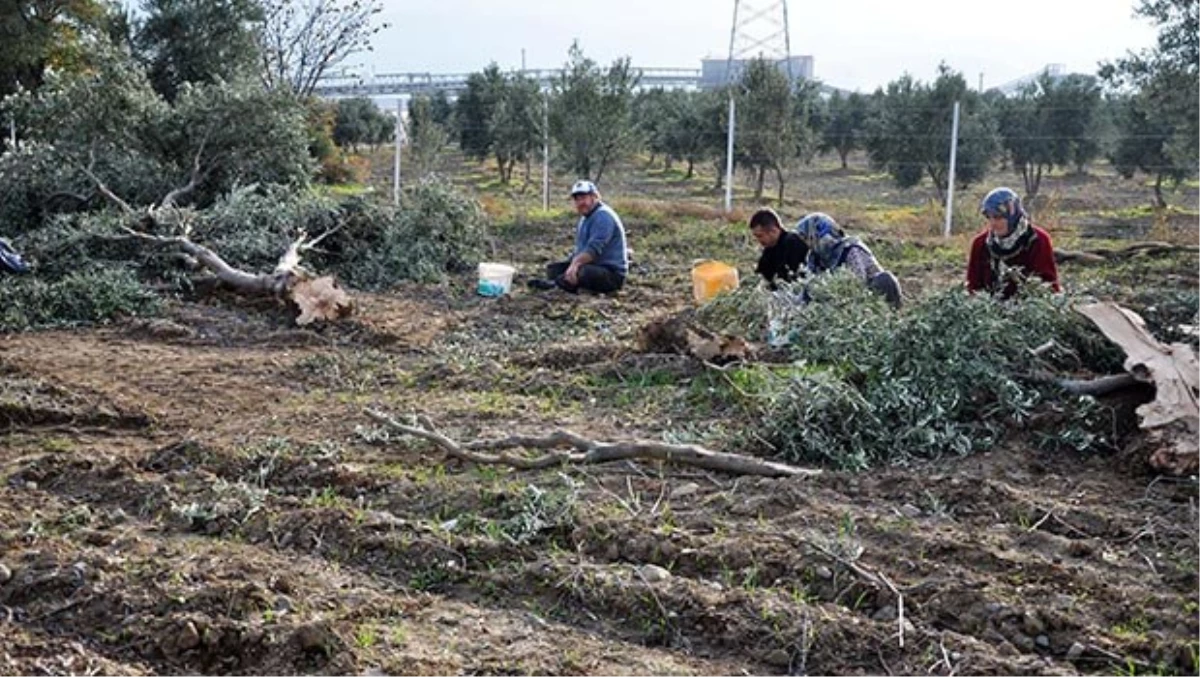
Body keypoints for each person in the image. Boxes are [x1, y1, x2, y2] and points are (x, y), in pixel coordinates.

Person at [527, 180, 628, 294]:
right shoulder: (585, 218)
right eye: (577, 199)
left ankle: (561, 285)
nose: (580, 202)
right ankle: (563, 283)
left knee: (583, 272)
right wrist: (570, 264)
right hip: (593, 265)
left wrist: (575, 264)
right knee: (554, 269)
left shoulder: (603, 216)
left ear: (594, 197)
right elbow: (581, 249)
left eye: (584, 198)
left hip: (611, 273)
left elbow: (593, 249)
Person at [795, 212, 903, 308]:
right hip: (839, 301)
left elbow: (857, 284)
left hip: (868, 299)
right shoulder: (815, 258)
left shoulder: (850, 249)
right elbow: (809, 286)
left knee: (885, 279)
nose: (806, 244)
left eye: (806, 238)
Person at [966, 187, 1060, 299]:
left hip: (1028, 309)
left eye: (998, 217)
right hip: (988, 310)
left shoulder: (1037, 240)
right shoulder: (980, 244)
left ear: (1013, 216)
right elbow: (973, 287)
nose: (993, 223)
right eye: (989, 217)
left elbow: (1048, 286)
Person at [749, 207, 809, 288]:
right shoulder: (769, 249)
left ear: (773, 231)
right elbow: (760, 275)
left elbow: (795, 278)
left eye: (760, 236)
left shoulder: (793, 243)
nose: (758, 240)